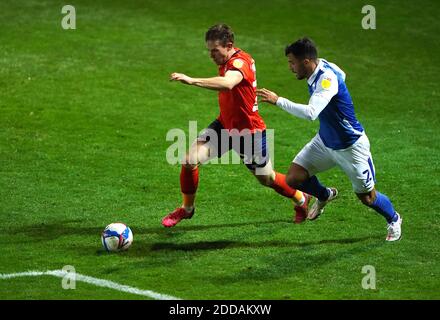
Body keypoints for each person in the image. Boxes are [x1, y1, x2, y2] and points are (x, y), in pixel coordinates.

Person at [162, 24, 311, 227]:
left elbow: (228, 83)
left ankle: (301, 199)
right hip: (224, 126)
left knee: (266, 178)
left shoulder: (241, 62)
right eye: (209, 51)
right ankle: (187, 209)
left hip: (249, 133)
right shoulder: (227, 60)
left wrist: (192, 80)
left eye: (215, 50)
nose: (211, 55)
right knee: (189, 159)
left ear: (229, 45)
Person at [257, 37, 402, 241]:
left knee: (368, 198)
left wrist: (278, 100)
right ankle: (324, 195)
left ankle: (394, 219)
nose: (290, 67)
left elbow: (310, 113)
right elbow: (343, 74)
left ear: (306, 61)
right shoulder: (323, 65)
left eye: (292, 62)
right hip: (325, 141)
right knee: (294, 178)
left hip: (350, 147)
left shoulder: (326, 79)